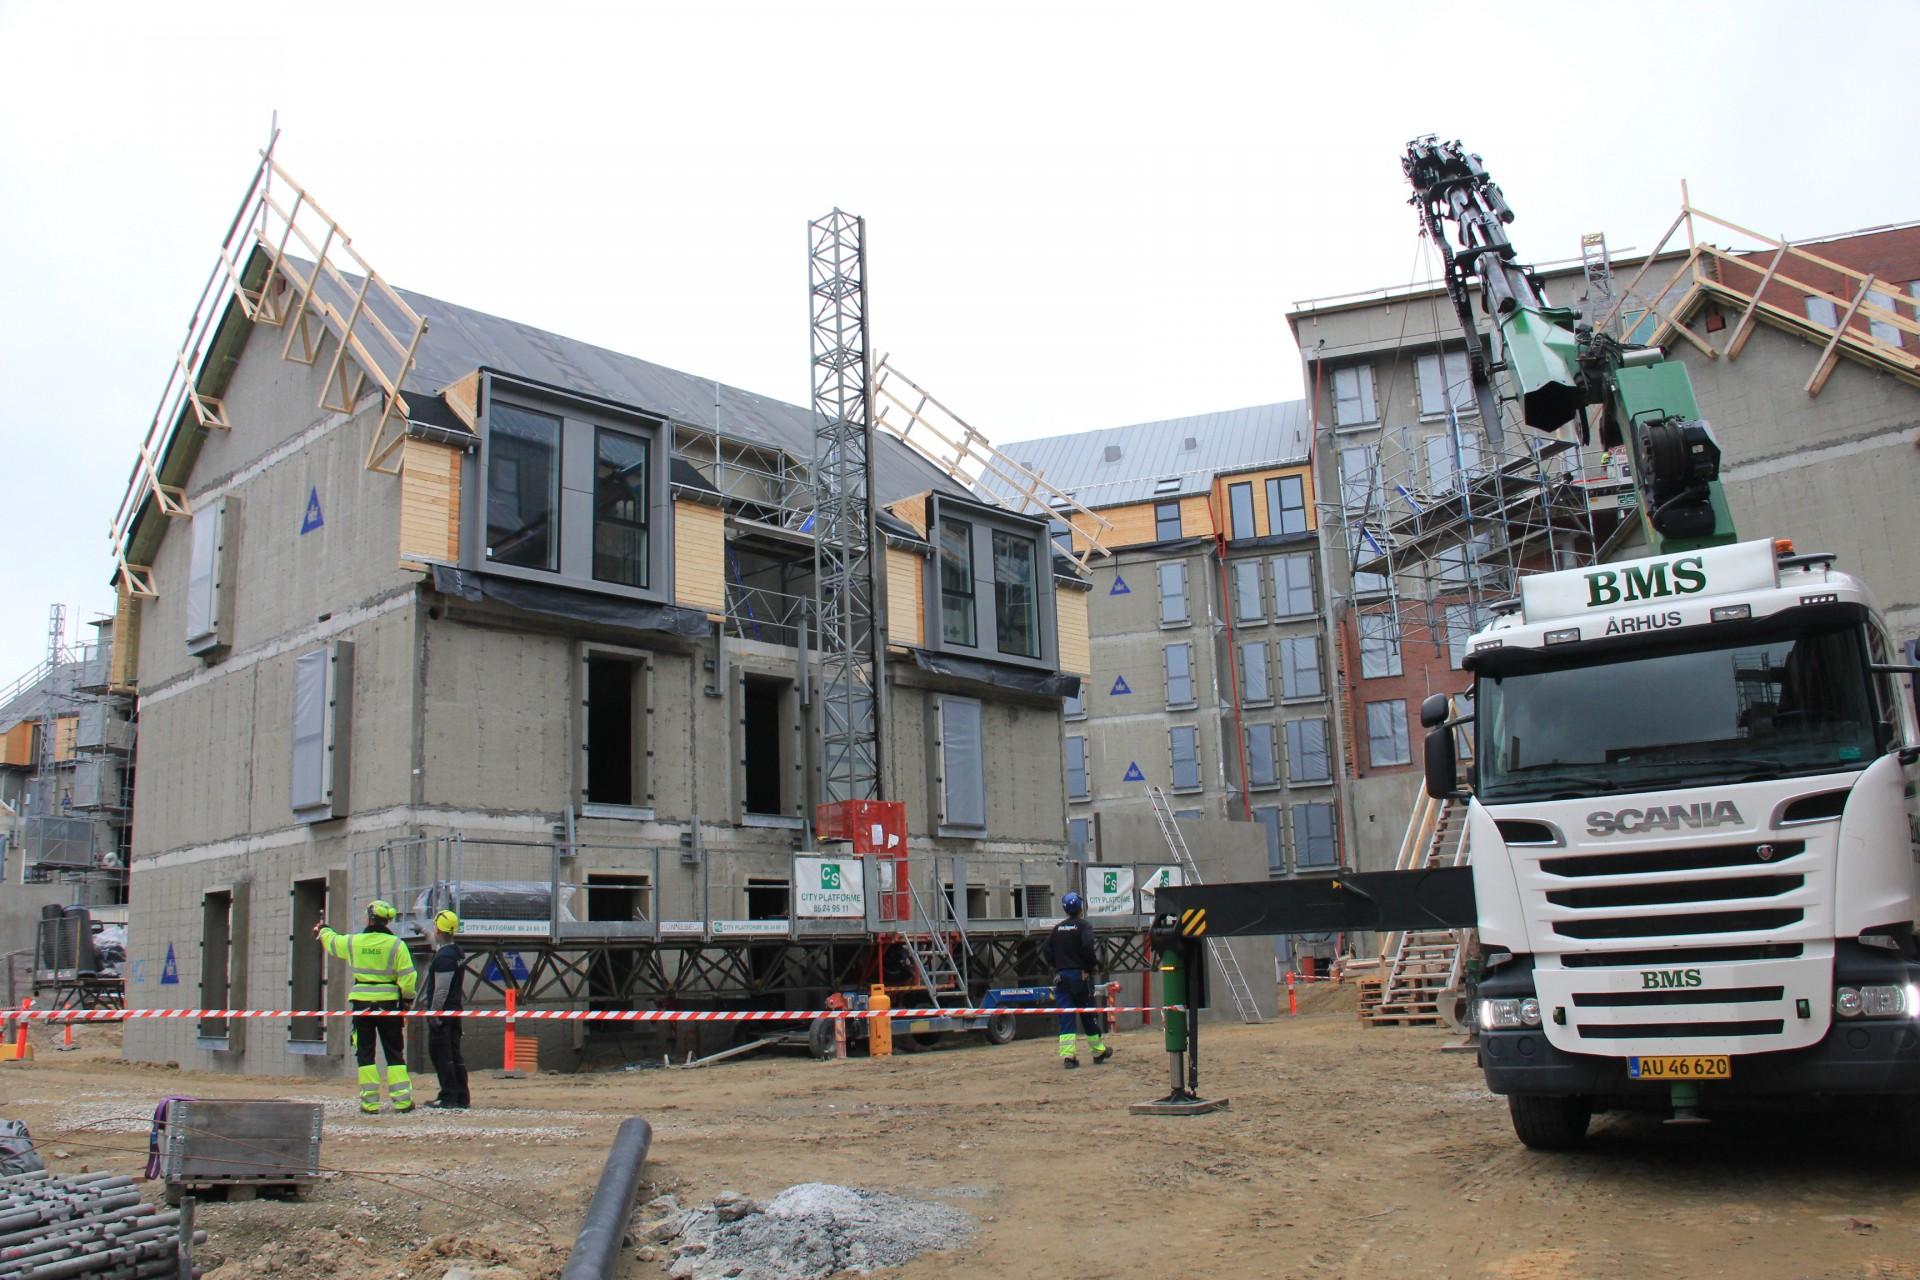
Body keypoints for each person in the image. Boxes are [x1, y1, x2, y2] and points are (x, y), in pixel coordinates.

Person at [314, 901, 418, 1115]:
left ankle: (369, 1103)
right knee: (394, 1051)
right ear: (387, 920)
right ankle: (402, 1101)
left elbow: (333, 942)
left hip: (362, 1004)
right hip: (389, 1004)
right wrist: (407, 1001)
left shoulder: (355, 942)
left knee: (365, 1052)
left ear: (369, 918)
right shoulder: (397, 945)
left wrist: (324, 930)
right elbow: (408, 976)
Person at [1046, 890, 1111, 1070]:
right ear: (1080, 908)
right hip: (1079, 976)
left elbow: (1047, 950)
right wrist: (1088, 969)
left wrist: (1055, 967)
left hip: (1061, 978)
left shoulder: (1057, 929)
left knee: (1066, 1016)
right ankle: (1098, 1051)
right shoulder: (1084, 927)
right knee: (1088, 1013)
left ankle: (1069, 1056)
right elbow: (1088, 947)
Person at [419, 909, 470, 1110]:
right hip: (453, 1012)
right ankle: (461, 1097)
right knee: (454, 1054)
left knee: (442, 1055)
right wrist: (423, 930)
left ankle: (448, 1097)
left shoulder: (444, 959)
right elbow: (438, 945)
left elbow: (441, 989)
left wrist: (434, 1013)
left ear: (439, 929)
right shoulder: (454, 951)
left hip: (443, 1014)